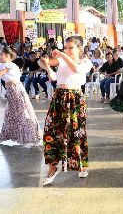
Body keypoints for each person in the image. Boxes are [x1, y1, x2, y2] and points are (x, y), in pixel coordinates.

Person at [38, 36, 93, 185]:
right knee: (51, 131)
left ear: (79, 49)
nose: (67, 50)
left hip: (74, 99)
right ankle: (52, 168)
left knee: (75, 133)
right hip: (58, 97)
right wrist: (49, 68)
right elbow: (42, 61)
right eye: (66, 47)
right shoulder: (62, 60)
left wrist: (61, 54)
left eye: (71, 48)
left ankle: (81, 166)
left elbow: (75, 68)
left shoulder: (85, 62)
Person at [0, 46, 41, 146]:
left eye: (1, 54)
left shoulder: (10, 65)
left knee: (22, 113)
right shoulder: (3, 65)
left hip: (16, 90)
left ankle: (29, 138)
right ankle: (4, 137)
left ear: (7, 56)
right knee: (10, 115)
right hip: (11, 90)